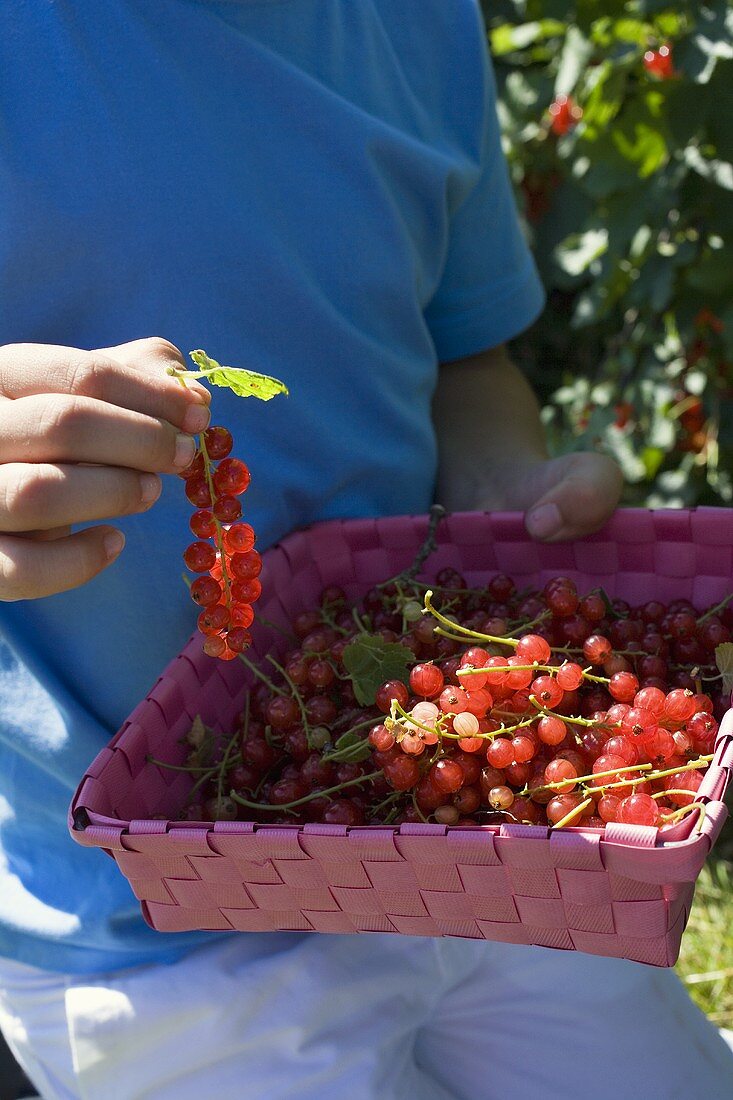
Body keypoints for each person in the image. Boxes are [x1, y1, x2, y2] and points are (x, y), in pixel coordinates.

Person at [0, 2, 731, 1097]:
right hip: (149, 922)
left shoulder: (418, 19)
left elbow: (464, 358)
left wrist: (506, 498)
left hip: (480, 825)